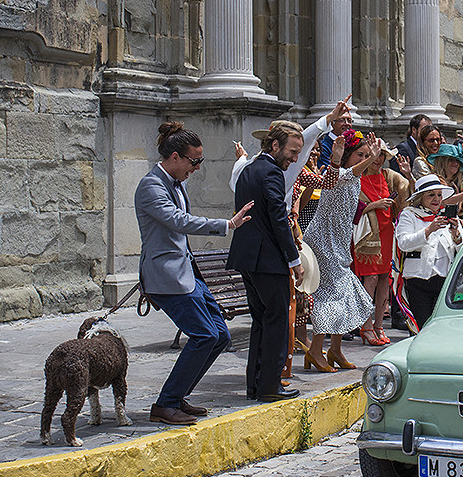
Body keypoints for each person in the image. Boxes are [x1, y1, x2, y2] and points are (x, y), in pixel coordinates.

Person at [135, 122, 255, 425]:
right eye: (195, 161)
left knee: (219, 335)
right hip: (167, 277)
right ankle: (166, 404)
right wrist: (226, 225)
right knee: (203, 336)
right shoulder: (151, 186)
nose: (197, 168)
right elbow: (178, 221)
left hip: (187, 273)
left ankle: (178, 396)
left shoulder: (176, 183)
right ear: (175, 157)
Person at [230, 120, 313, 403]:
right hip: (267, 260)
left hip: (247, 258)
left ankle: (256, 384)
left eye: (298, 152)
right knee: (276, 321)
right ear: (274, 145)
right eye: (292, 152)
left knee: (260, 321)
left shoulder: (248, 170)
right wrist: (294, 261)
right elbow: (279, 220)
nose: (294, 158)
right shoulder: (272, 173)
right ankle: (270, 386)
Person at [302, 132, 378, 369]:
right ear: (347, 156)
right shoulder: (338, 174)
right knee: (331, 296)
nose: (364, 159)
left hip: (339, 242)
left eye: (367, 155)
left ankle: (334, 350)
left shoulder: (354, 179)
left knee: (344, 295)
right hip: (323, 242)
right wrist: (369, 159)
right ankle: (315, 350)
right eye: (360, 155)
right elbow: (340, 176)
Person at [354, 136, 410, 347]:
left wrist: (409, 174)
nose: (377, 160)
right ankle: (365, 324)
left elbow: (409, 191)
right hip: (367, 234)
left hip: (387, 232)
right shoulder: (358, 177)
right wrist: (374, 205)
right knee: (369, 280)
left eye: (381, 156)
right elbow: (351, 209)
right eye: (370, 156)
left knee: (385, 279)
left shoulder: (389, 176)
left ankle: (379, 324)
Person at [395, 174, 463, 329]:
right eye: (431, 195)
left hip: (445, 282)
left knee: (442, 328)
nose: (436, 199)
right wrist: (428, 230)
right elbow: (404, 243)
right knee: (422, 327)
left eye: (439, 195)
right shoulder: (410, 214)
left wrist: (456, 235)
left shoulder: (448, 216)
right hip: (418, 280)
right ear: (420, 197)